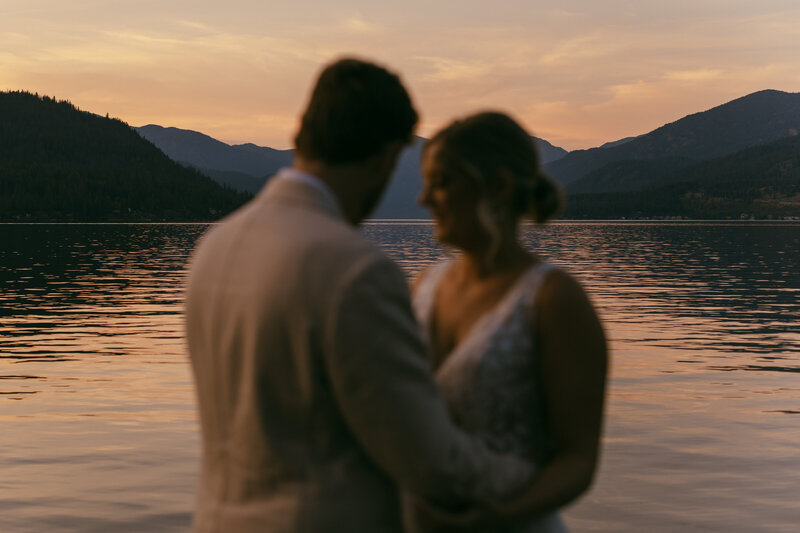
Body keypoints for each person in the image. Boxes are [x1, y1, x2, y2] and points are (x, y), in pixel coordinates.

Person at [184, 59, 533, 533]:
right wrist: (529, 476)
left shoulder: (213, 249)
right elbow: (429, 461)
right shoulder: (355, 270)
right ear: (384, 155)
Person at [410, 112, 608, 532]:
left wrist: (500, 516)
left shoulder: (554, 301)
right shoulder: (422, 288)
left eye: (442, 183)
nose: (424, 199)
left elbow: (578, 460)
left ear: (497, 186)